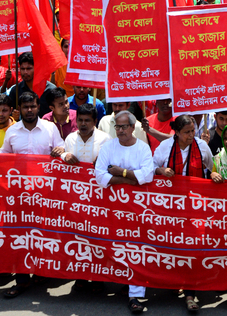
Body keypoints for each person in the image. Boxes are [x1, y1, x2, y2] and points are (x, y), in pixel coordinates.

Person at [0, 91, 65, 298]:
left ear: (39, 107)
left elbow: (62, 149)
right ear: (19, 109)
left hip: (44, 194)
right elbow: (3, 157)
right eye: (26, 106)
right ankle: (21, 280)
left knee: (42, 234)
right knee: (19, 235)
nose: (29, 110)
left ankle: (41, 272)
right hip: (18, 195)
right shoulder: (12, 131)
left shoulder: (50, 128)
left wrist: (60, 151)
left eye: (33, 106)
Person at [95, 111, 155, 313]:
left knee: (137, 249)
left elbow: (146, 175)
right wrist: (129, 179)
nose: (120, 131)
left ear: (132, 127)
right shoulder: (109, 146)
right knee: (115, 247)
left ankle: (135, 296)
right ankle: (119, 283)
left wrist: (119, 171)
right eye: (117, 127)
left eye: (123, 127)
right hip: (112, 209)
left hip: (138, 210)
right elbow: (99, 175)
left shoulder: (143, 148)